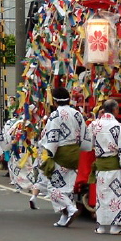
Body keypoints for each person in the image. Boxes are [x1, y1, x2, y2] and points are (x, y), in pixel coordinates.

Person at [38, 87, 91, 228]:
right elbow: (85, 135)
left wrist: (50, 152)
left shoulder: (55, 115)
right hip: (75, 152)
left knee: (53, 186)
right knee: (67, 186)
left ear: (55, 101)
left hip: (61, 153)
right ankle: (64, 216)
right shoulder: (77, 114)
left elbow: (52, 136)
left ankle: (71, 208)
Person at [88, 99, 121, 235]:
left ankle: (101, 226)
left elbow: (88, 143)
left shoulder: (95, 125)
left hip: (101, 165)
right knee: (116, 195)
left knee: (102, 195)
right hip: (114, 165)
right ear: (116, 110)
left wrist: (97, 118)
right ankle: (115, 227)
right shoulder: (119, 127)